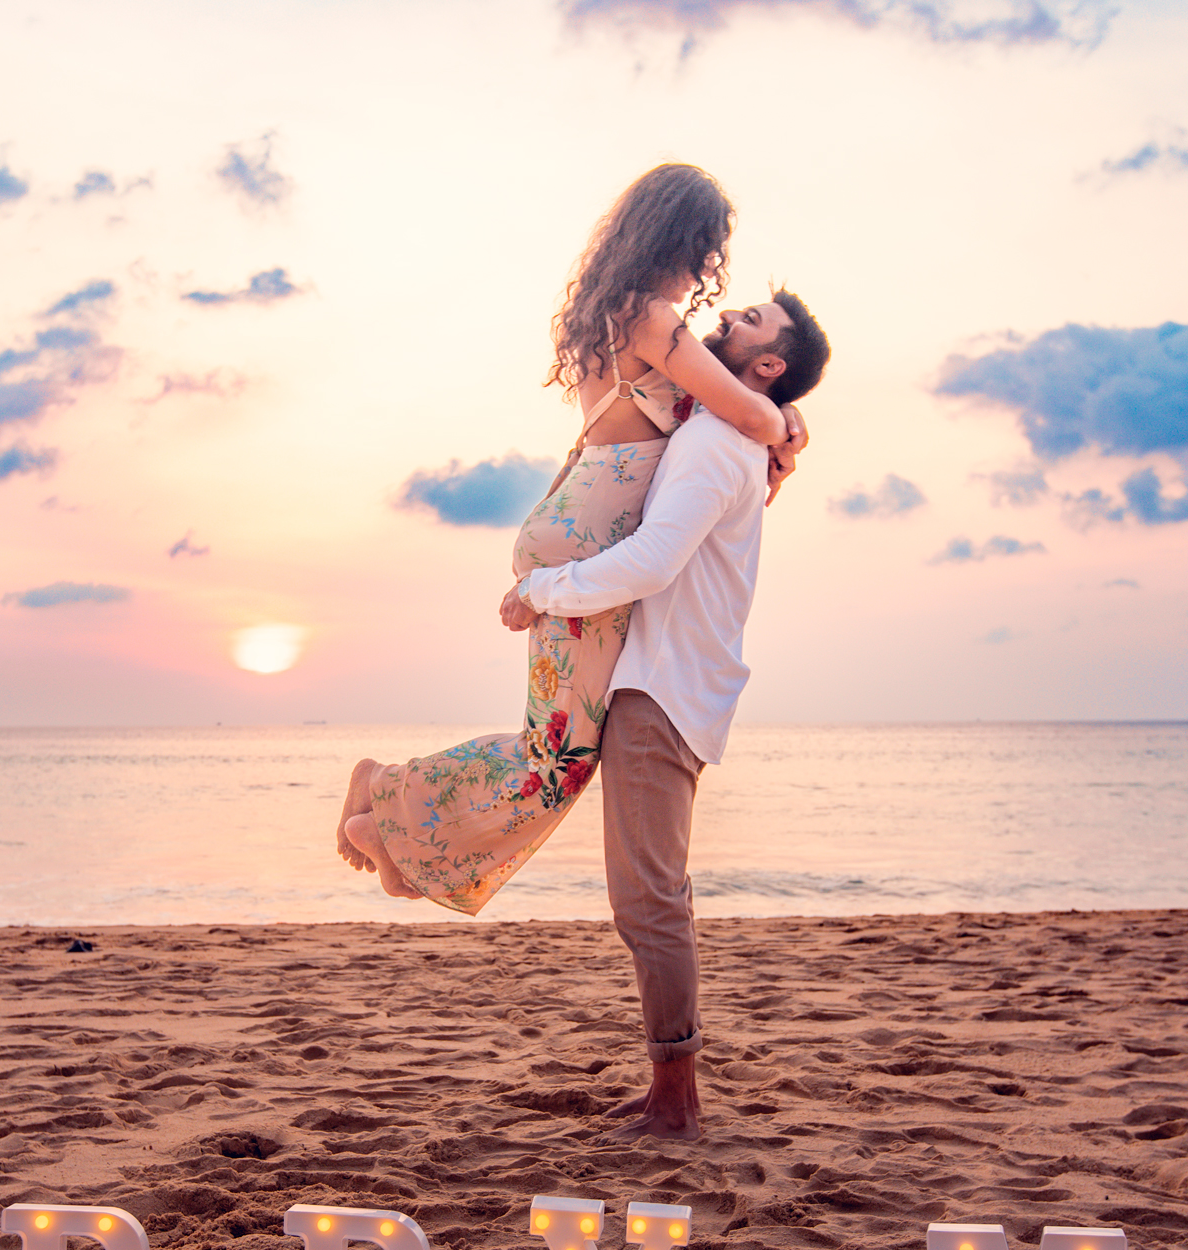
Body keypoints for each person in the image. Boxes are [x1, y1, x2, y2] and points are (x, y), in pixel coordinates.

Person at [336, 164, 805, 914]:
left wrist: (784, 416)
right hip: (589, 537)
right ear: (684, 238)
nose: (709, 270)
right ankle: (387, 794)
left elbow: (734, 404)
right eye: (709, 249)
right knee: (557, 758)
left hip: (579, 521)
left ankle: (398, 839)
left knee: (558, 751)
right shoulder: (651, 316)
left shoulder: (620, 311)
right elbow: (749, 415)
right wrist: (788, 424)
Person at [500, 289, 831, 1139]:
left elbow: (652, 561)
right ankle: (667, 1088)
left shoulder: (717, 443)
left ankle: (677, 1099)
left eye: (748, 321)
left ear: (769, 365)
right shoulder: (723, 429)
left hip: (664, 685)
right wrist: (787, 427)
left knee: (647, 899)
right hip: (667, 680)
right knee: (650, 894)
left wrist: (542, 592)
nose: (725, 318)